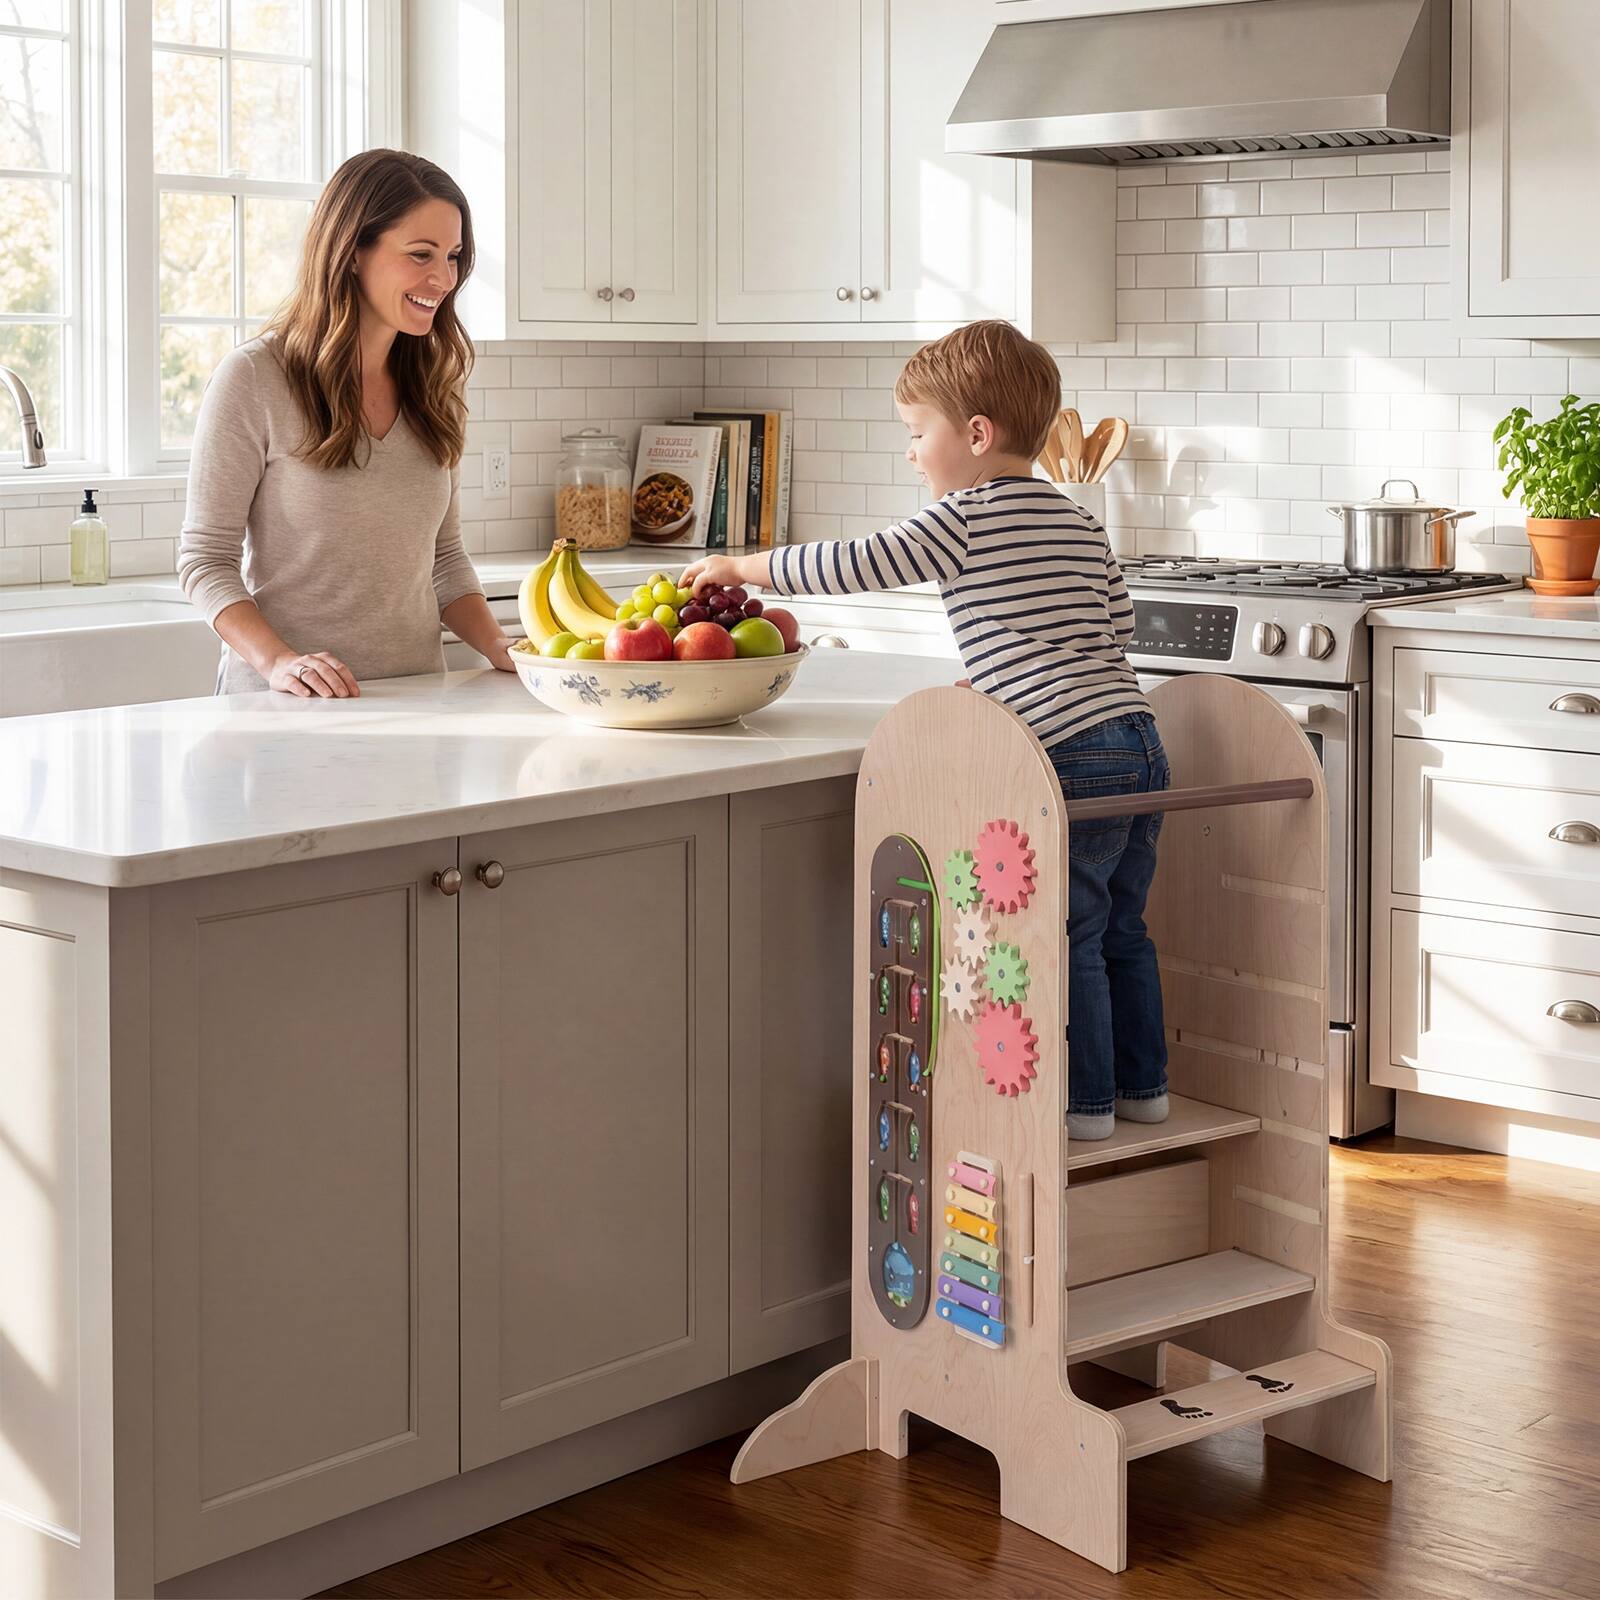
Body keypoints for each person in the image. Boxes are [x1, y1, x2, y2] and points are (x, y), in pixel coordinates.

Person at [680, 320, 1169, 1141]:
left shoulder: (963, 516)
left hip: (1065, 755)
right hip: (1136, 741)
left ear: (975, 435)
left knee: (1067, 931)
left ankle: (1084, 1112)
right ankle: (1144, 1090)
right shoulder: (1081, 521)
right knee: (1122, 927)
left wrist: (739, 566)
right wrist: (1000, 677)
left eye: (917, 434)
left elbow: (853, 563)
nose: (912, 453)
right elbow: (1112, 626)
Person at [178, 148, 514, 698]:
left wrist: (501, 647)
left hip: (419, 702)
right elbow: (204, 561)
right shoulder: (255, 378)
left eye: (453, 256)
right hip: (284, 707)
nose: (443, 278)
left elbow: (445, 559)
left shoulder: (436, 386)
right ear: (353, 252)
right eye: (421, 254)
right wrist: (281, 663)